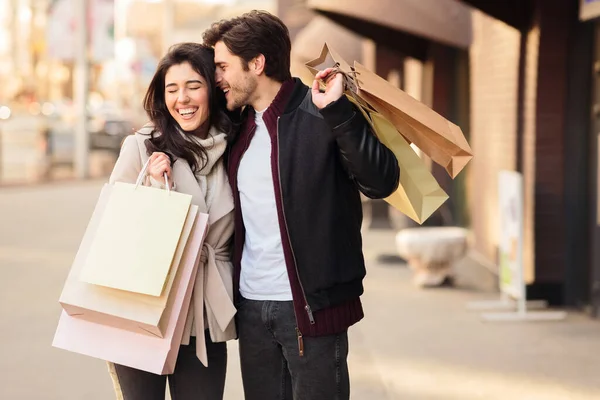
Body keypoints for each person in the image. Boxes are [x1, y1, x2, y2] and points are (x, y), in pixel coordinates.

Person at [203, 11, 400, 400]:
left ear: (256, 63)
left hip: (310, 310)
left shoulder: (320, 111)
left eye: (223, 66)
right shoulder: (237, 126)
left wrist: (339, 113)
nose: (217, 78)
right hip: (252, 307)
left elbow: (382, 181)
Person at [106, 42, 237, 400]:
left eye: (193, 86)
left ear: (213, 88)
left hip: (204, 314)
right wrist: (150, 187)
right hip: (144, 309)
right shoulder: (143, 147)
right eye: (172, 89)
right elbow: (111, 229)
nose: (183, 99)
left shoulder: (235, 149)